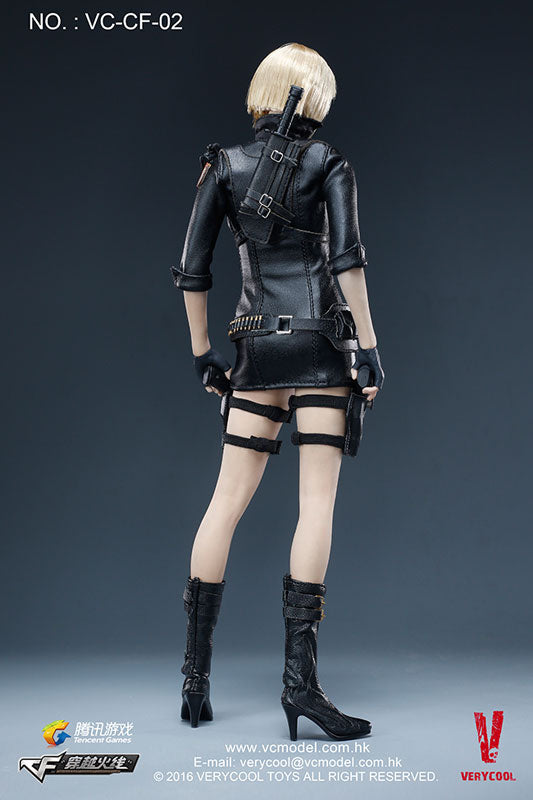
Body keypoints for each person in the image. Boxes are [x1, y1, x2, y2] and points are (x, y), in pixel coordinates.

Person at [171, 42, 384, 741]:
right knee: (315, 505)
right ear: (316, 97)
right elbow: (346, 262)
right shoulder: (327, 162)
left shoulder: (224, 165)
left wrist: (203, 353)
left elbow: (192, 270)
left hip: (254, 347)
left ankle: (194, 683)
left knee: (223, 505)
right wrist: (368, 350)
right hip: (320, 348)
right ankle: (300, 687)